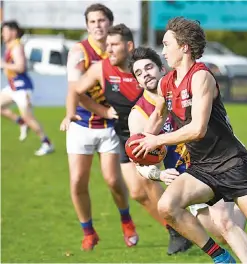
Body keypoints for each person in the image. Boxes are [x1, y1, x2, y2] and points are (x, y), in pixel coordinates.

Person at [130, 17, 247, 263]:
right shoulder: (166, 84)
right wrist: (141, 144)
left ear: (184, 47)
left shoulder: (202, 77)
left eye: (166, 44)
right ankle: (222, 258)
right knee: (168, 207)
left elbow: (198, 129)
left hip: (232, 164)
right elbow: (158, 117)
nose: (163, 51)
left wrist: (157, 142)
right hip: (201, 168)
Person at [60, 23, 191, 255]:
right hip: (126, 136)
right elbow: (76, 90)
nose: (108, 49)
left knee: (157, 182)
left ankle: (185, 225)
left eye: (114, 45)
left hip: (159, 130)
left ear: (128, 46)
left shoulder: (146, 69)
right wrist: (97, 113)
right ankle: (176, 229)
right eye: (107, 45)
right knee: (139, 192)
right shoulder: (102, 69)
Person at [59, 4, 138, 250]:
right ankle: (89, 231)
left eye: (101, 20)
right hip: (82, 123)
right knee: (78, 181)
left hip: (111, 127)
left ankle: (126, 220)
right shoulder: (79, 51)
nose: (97, 26)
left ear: (110, 23)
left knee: (113, 180)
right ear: (86, 26)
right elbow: (75, 89)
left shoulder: (121, 51)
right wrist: (70, 114)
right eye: (92, 22)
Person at [0, 20, 54, 156]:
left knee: (30, 118)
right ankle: (21, 122)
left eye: (5, 31)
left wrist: (3, 65)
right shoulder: (9, 46)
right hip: (12, 87)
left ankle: (47, 143)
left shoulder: (17, 47)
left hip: (22, 88)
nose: (2, 34)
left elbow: (21, 67)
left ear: (13, 32)